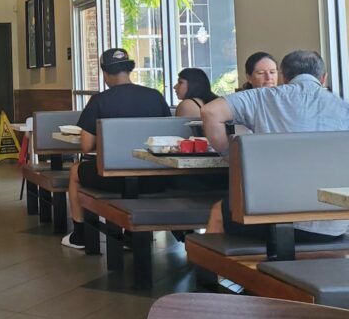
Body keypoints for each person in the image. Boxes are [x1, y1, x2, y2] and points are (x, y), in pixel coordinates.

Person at [201, 49, 349, 240]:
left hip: (274, 218)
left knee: (219, 212)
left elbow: (210, 112)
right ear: (323, 78)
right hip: (334, 226)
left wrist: (232, 155)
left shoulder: (262, 97)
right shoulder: (342, 107)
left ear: (283, 76)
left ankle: (217, 261)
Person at [62, 48, 171, 251]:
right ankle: (131, 234)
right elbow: (168, 135)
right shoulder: (155, 96)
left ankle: (80, 235)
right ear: (128, 69)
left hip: (115, 178)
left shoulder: (100, 100)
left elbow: (86, 146)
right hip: (156, 178)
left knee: (75, 171)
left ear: (105, 73)